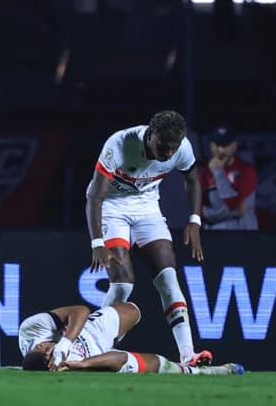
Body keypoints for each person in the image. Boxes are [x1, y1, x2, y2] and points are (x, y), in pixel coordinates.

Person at [85, 110, 212, 367]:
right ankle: (91, 347)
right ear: (150, 135)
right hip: (112, 206)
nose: (167, 154)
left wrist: (194, 221)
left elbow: (193, 181)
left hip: (147, 207)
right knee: (122, 286)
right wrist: (97, 242)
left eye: (172, 149)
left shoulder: (181, 148)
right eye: (163, 147)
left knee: (168, 277)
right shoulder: (120, 144)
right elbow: (95, 196)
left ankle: (188, 355)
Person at [18, 303, 244, 375]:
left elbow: (80, 310)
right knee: (159, 364)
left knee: (133, 310)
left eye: (49, 352)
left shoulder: (30, 330)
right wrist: (83, 364)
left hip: (90, 331)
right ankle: (203, 372)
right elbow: (120, 358)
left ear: (41, 345)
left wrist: (65, 343)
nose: (54, 357)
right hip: (96, 355)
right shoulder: (67, 368)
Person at [199, 126, 258, 230]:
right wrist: (233, 213)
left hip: (244, 236)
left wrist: (217, 171)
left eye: (226, 145)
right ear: (211, 146)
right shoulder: (204, 174)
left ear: (234, 146)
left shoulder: (246, 170)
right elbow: (198, 211)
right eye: (217, 145)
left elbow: (234, 204)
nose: (221, 150)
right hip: (215, 235)